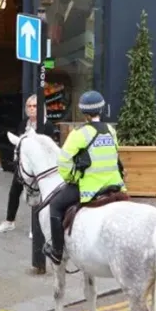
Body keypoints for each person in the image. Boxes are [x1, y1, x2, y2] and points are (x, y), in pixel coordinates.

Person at [44, 90, 126, 265]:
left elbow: (64, 160)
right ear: (101, 109)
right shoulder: (111, 130)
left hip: (90, 188)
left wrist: (71, 177)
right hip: (115, 185)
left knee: (55, 205)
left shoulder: (79, 133)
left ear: (83, 112)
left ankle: (57, 252)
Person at [0, 94, 59, 236]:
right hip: (25, 165)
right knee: (14, 191)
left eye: (35, 106)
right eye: (29, 106)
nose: (31, 109)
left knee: (38, 195)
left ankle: (35, 226)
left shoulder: (47, 126)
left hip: (41, 168)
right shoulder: (23, 124)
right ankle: (9, 221)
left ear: (41, 108)